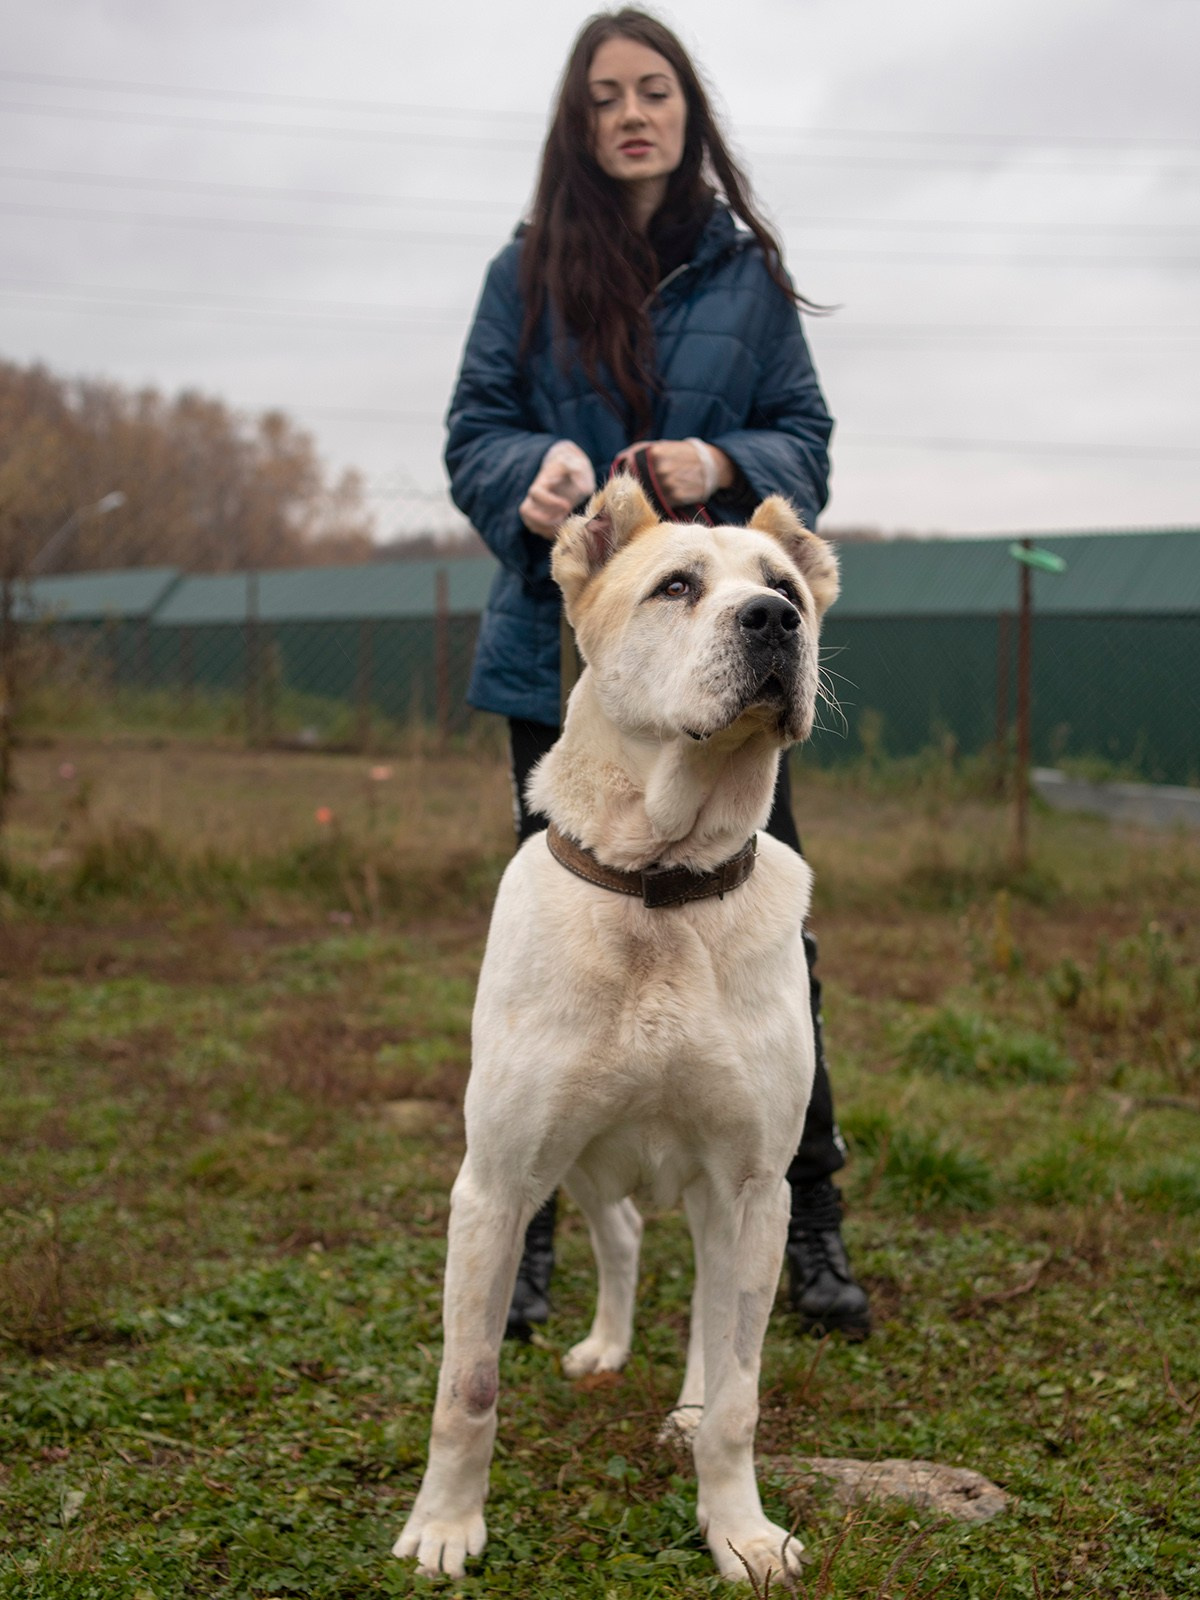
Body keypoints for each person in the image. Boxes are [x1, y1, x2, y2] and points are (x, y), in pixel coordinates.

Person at [444, 7, 871, 1344]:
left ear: (689, 112)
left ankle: (806, 1216)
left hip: (727, 677)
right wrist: (534, 479)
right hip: (566, 660)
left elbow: (804, 438)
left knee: (766, 945)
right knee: (551, 964)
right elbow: (473, 436)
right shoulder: (524, 273)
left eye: (655, 92)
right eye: (606, 99)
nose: (632, 114)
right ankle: (528, 1238)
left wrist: (721, 468)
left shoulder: (748, 281)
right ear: (578, 127)